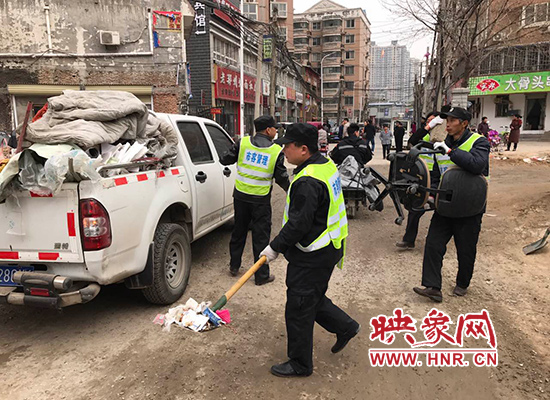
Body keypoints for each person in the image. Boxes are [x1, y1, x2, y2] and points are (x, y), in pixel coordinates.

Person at [259, 123, 360, 378]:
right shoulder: (325, 165)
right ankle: (345, 326)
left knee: (299, 306)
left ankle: (300, 364)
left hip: (314, 252)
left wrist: (274, 248)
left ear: (303, 149)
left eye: (287, 146)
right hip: (329, 246)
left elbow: (298, 225)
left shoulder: (307, 180)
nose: (283, 150)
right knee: (310, 298)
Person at [413, 107, 490, 303]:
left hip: (469, 206)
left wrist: (450, 151)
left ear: (464, 123)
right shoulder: (442, 144)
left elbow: (477, 165)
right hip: (445, 205)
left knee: (465, 249)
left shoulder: (479, 142)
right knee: (433, 244)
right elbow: (437, 174)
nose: (448, 124)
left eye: (453, 120)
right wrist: (431, 196)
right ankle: (433, 287)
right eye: (447, 120)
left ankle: (462, 283)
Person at [219, 116, 290, 285]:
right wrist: (291, 190)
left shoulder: (243, 143)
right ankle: (261, 276)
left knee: (239, 231)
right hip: (261, 199)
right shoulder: (275, 151)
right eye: (275, 128)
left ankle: (234, 266)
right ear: (268, 130)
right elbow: (281, 177)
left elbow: (225, 159)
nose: (276, 131)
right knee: (261, 237)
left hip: (241, 196)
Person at [396, 112, 443, 249]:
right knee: (416, 207)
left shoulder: (445, 137)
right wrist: (428, 127)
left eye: (433, 121)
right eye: (428, 121)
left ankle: (438, 243)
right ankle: (409, 240)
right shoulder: (424, 136)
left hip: (440, 176)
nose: (430, 123)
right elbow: (413, 140)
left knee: (442, 210)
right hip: (423, 176)